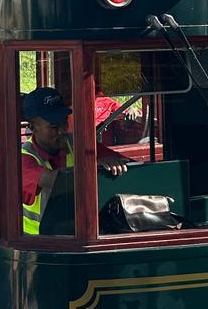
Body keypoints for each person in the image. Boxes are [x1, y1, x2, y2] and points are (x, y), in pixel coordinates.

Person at [20, 86, 128, 236]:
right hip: (38, 243)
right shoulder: (23, 158)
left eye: (64, 123)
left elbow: (124, 163)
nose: (62, 131)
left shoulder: (78, 143)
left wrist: (114, 162)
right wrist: (93, 167)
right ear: (32, 127)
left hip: (78, 235)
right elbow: (54, 180)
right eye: (53, 126)